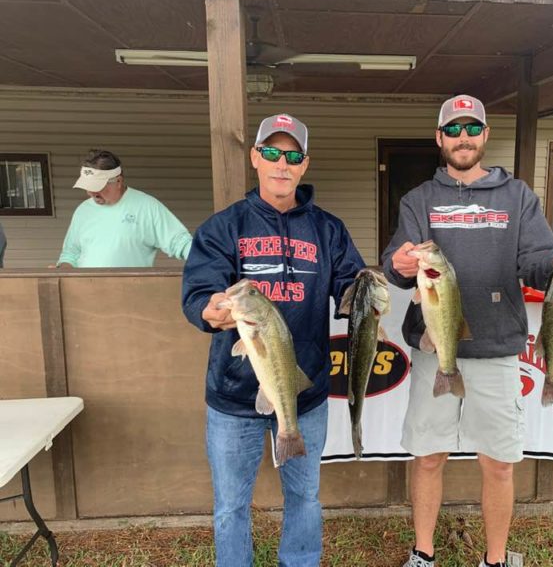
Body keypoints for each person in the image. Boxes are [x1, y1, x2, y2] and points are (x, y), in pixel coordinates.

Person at [382, 94, 553, 567]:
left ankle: (495, 560)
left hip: (498, 350)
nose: (463, 137)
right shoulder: (418, 200)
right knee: (429, 456)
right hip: (435, 350)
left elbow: (537, 259)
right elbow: (398, 263)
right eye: (453, 129)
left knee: (498, 463)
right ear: (439, 138)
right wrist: (398, 264)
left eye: (472, 128)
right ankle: (423, 554)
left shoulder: (517, 196)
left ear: (485, 135)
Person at [181, 113, 365, 567]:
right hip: (232, 395)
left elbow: (350, 287)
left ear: (305, 165)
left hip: (304, 392)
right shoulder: (224, 227)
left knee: (305, 497)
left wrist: (368, 292)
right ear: (255, 158)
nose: (282, 164)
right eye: (271, 153)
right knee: (231, 505)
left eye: (293, 156)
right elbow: (200, 292)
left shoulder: (328, 229)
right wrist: (209, 310)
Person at [54, 149, 192, 268]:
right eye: (88, 187)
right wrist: (63, 269)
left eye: (97, 187)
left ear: (118, 181)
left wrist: (203, 262)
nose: (91, 193)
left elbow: (180, 242)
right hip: (85, 289)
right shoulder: (83, 210)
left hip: (131, 289)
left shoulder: (147, 206)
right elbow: (70, 254)